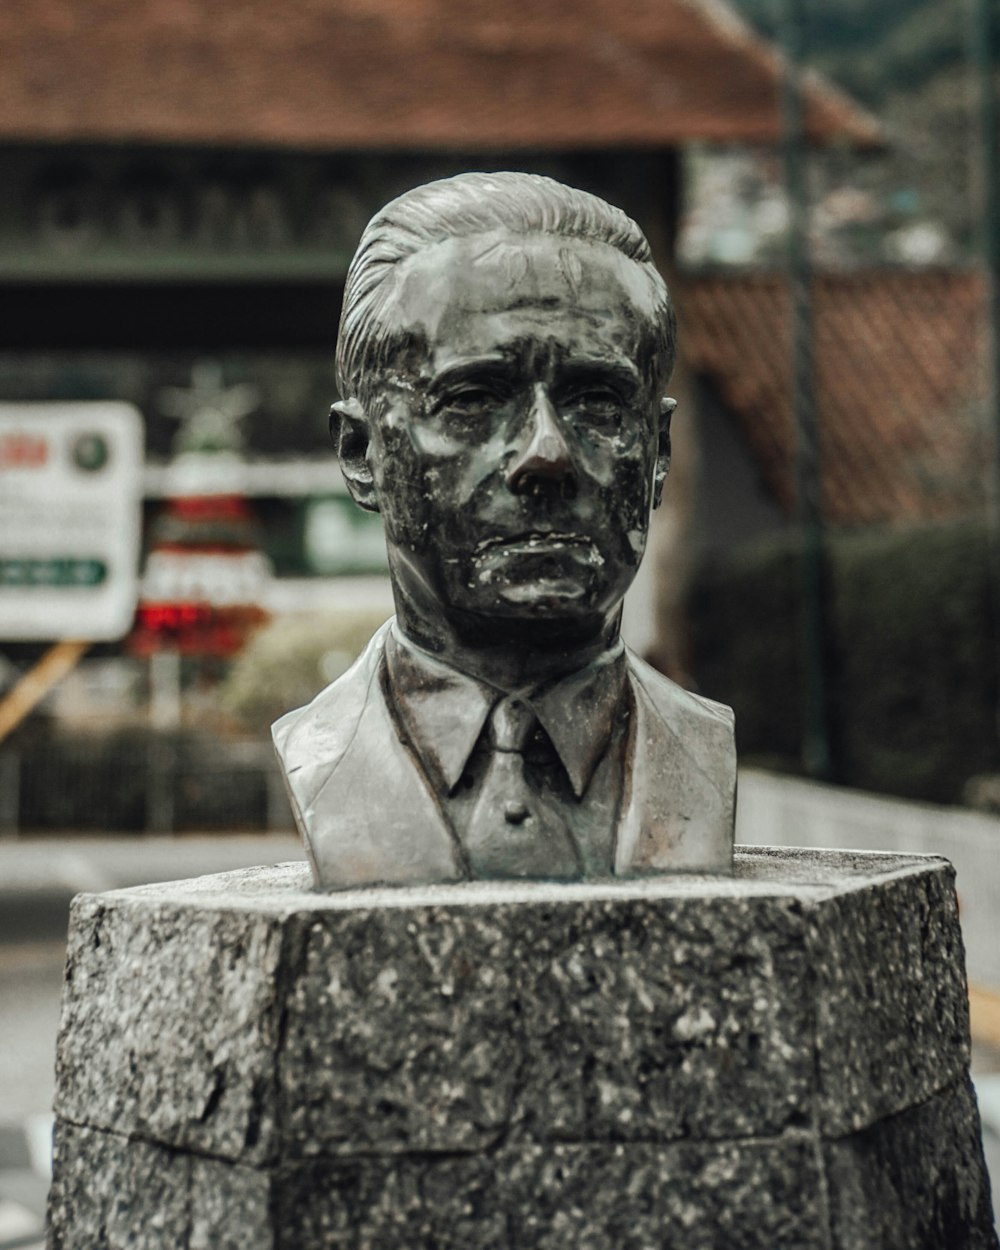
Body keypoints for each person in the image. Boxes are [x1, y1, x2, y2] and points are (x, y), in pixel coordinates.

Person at [273, 171, 735, 888]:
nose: (546, 455)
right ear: (361, 456)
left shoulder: (701, 750)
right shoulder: (322, 751)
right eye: (473, 400)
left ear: (659, 451)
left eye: (598, 402)